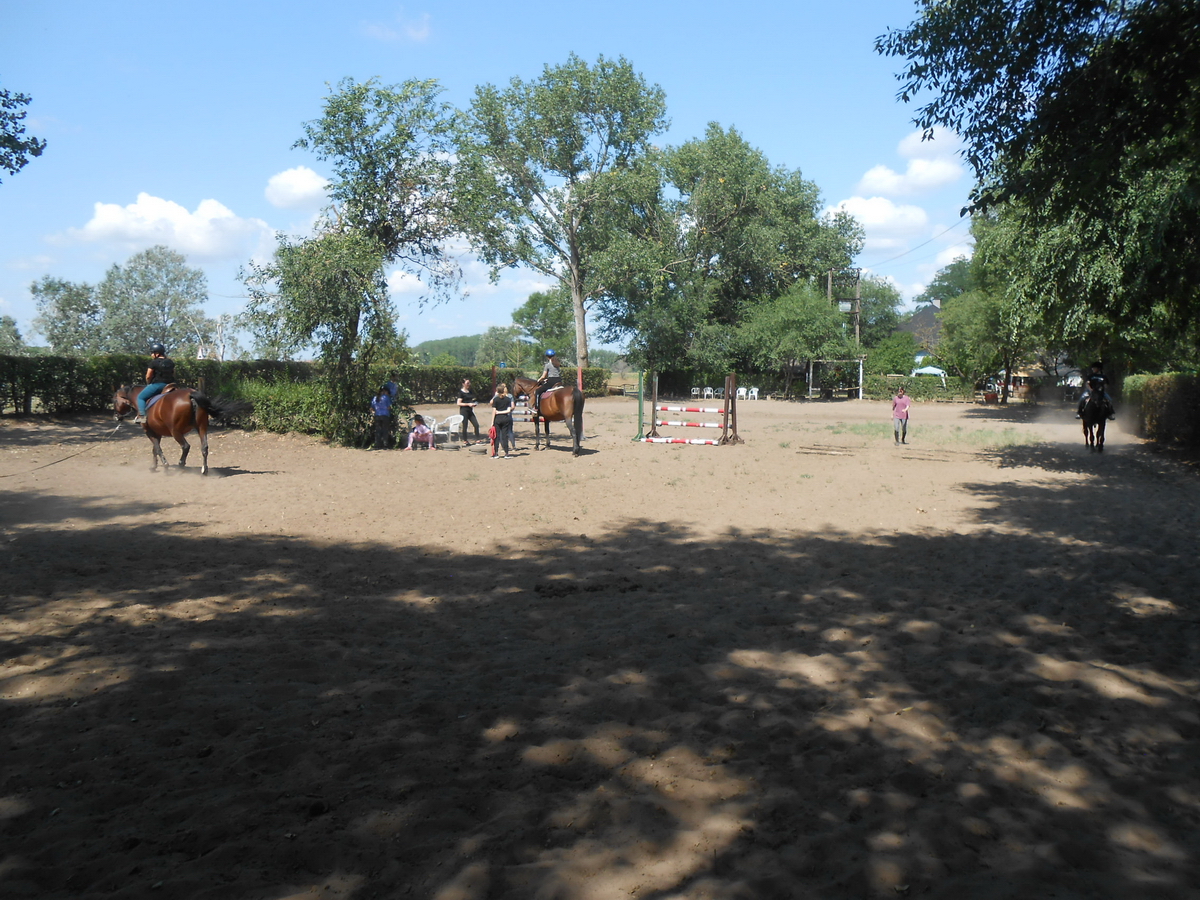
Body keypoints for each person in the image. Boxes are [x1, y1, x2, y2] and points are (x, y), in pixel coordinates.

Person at [135, 342, 176, 423]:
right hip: (171, 385)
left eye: (152, 353)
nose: (151, 355)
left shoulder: (154, 362)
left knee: (140, 397)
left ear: (157, 353)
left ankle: (142, 417)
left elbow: (148, 376)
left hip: (158, 385)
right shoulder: (170, 362)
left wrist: (149, 383)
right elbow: (174, 373)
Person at [491, 383, 515, 458]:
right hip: (505, 418)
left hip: (497, 419)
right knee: (505, 436)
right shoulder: (508, 399)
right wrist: (501, 412)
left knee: (496, 436)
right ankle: (506, 453)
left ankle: (496, 453)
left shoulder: (495, 400)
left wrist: (492, 422)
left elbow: (494, 411)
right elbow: (508, 410)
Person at [534, 349, 562, 413]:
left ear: (547, 357)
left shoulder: (547, 365)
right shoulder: (558, 363)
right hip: (559, 380)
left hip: (551, 381)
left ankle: (537, 408)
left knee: (538, 391)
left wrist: (539, 380)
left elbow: (543, 376)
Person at [457, 378, 482, 444]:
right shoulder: (461, 393)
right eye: (467, 383)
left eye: (469, 383)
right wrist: (468, 404)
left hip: (470, 411)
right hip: (464, 411)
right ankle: (465, 440)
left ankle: (478, 439)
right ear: (463, 384)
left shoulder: (470, 391)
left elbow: (473, 399)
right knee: (465, 426)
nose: (469, 384)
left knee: (476, 424)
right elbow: (458, 403)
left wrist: (474, 403)